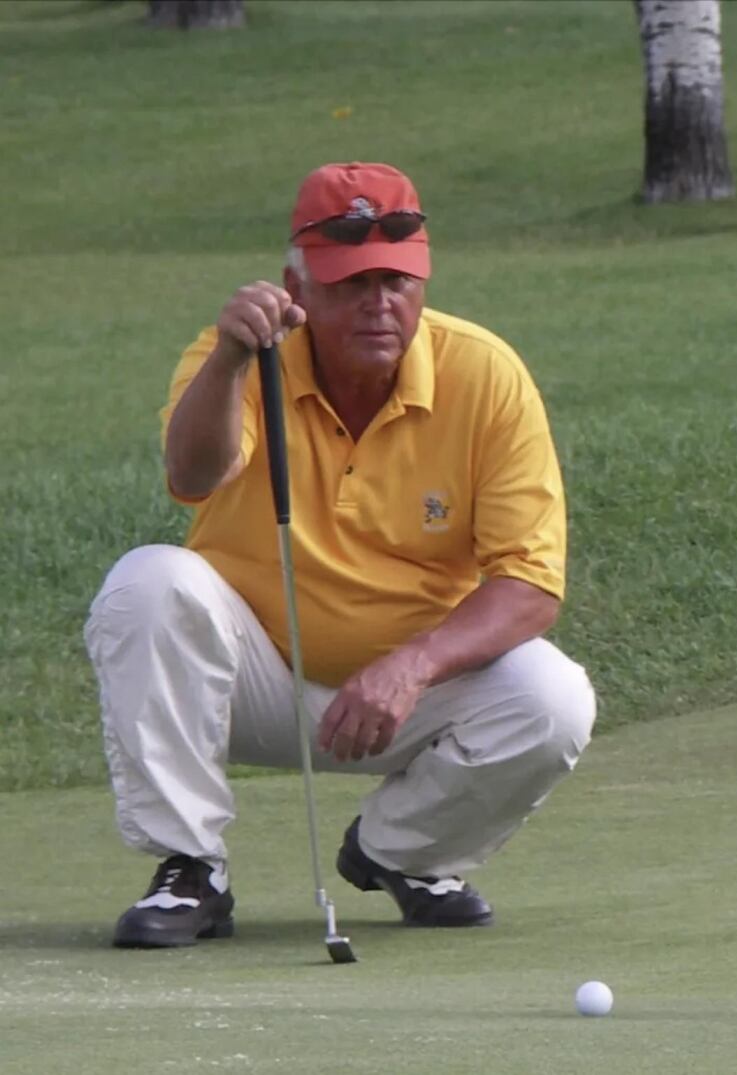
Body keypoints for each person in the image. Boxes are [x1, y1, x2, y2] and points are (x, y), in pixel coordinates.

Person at [85, 161, 596, 948]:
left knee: (552, 697)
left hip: (409, 696)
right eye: (351, 282)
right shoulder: (239, 357)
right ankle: (191, 867)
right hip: (252, 679)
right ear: (298, 282)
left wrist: (414, 664)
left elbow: (529, 584)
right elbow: (193, 475)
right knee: (148, 583)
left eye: (397, 279)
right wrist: (228, 359)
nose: (378, 302)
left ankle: (400, 850)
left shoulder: (485, 373)